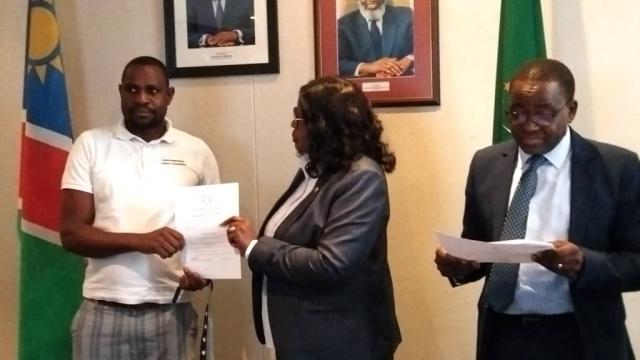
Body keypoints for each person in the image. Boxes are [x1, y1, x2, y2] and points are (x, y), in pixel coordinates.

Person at [434, 58, 640, 360]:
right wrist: (461, 266)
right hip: (504, 337)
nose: (529, 125)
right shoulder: (486, 164)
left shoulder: (615, 167)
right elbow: (479, 248)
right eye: (517, 113)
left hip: (581, 338)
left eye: (543, 114)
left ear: (571, 110)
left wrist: (584, 264)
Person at [222, 77, 401, 359]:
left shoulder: (361, 177)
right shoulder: (316, 171)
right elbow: (293, 238)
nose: (293, 129)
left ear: (323, 125)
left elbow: (331, 264)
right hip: (305, 339)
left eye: (299, 121)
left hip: (342, 343)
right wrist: (252, 238)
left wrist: (255, 248)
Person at [60, 56, 220, 359]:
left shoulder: (197, 152)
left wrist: (203, 274)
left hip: (172, 310)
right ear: (121, 92)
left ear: (169, 95)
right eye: (132, 90)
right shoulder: (90, 144)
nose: (142, 99)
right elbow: (71, 234)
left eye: (152, 90)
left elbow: (210, 237)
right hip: (102, 310)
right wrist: (140, 241)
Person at [338, 0, 414, 77]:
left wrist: (409, 59)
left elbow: (423, 47)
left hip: (402, 82)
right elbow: (338, 63)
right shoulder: (343, 25)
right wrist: (368, 67)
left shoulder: (406, 16)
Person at [187, 0, 255, 48]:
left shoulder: (247, 1)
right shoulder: (191, 2)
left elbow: (258, 30)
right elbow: (184, 35)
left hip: (241, 60)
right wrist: (205, 39)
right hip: (203, 61)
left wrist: (236, 35)